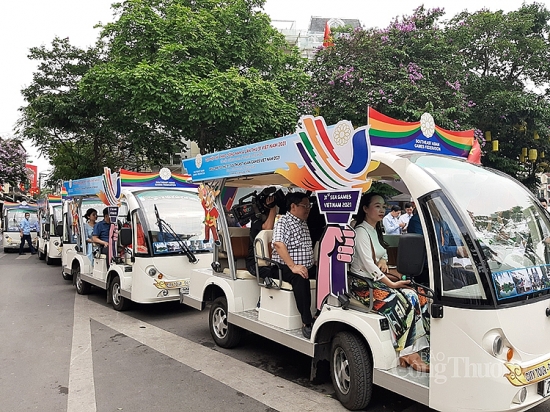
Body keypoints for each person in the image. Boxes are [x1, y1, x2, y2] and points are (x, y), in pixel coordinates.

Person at [348, 192, 430, 373]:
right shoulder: (361, 231)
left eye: (383, 206)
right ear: (365, 209)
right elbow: (369, 265)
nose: (382, 209)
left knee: (418, 296)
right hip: (363, 285)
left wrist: (384, 259)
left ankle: (420, 347)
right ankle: (408, 353)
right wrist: (392, 284)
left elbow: (381, 253)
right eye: (377, 206)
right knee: (402, 302)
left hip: (376, 281)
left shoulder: (375, 229)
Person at [271, 192, 316, 339]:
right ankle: (306, 321)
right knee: (300, 278)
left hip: (304, 266)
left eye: (309, 206)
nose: (308, 209)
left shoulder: (303, 223)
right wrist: (293, 266)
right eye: (305, 206)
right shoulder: (283, 222)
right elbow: (278, 244)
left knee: (326, 273)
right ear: (293, 206)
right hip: (284, 266)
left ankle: (321, 313)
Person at [245, 195, 278, 280]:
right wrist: (272, 207)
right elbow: (268, 228)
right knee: (279, 272)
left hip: (272, 261)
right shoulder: (255, 220)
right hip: (254, 263)